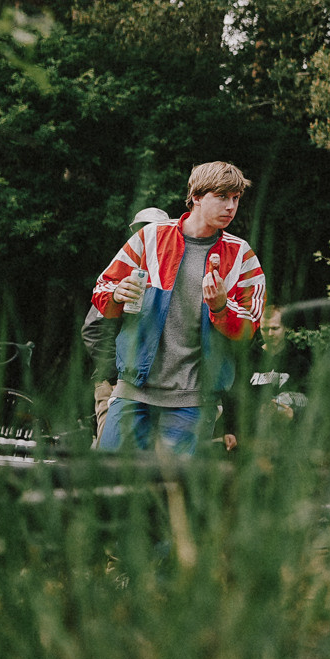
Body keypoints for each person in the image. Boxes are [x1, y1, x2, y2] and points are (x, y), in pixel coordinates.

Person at [92, 164, 267, 455]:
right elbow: (102, 288)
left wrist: (221, 307)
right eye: (222, 196)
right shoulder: (150, 237)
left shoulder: (241, 255)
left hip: (194, 401)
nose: (231, 206)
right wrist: (117, 294)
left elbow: (251, 326)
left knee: (172, 482)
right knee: (110, 477)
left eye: (236, 198)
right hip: (134, 390)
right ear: (196, 197)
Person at [84, 206, 174, 422]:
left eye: (156, 230)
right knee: (111, 439)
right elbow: (93, 329)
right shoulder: (123, 274)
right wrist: (116, 373)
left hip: (159, 385)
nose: (149, 236)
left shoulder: (169, 279)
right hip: (117, 381)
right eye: (143, 230)